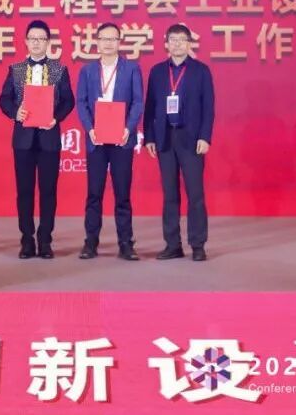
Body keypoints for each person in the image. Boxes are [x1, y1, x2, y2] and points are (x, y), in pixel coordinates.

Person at [0, 20, 75, 259]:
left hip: (49, 138)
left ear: (48, 42)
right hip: (23, 140)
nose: (37, 43)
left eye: (41, 39)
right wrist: (15, 112)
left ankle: (45, 240)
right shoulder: (16, 69)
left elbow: (69, 101)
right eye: (33, 38)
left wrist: (56, 117)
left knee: (48, 191)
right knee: (24, 191)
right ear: (26, 41)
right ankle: (26, 240)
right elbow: (4, 99)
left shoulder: (59, 70)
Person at [143, 24, 215, 262]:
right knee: (170, 194)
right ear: (166, 44)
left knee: (195, 194)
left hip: (191, 139)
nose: (176, 44)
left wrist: (205, 137)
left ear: (189, 43)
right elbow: (150, 106)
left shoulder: (201, 71)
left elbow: (208, 107)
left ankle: (198, 244)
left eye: (181, 40)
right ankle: (172, 244)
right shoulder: (157, 72)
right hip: (165, 138)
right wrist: (149, 137)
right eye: (172, 40)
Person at [75, 22, 144, 261]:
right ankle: (90, 242)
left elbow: (138, 102)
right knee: (94, 193)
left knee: (122, 193)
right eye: (104, 39)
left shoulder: (132, 68)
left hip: (121, 139)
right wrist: (90, 128)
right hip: (96, 139)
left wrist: (128, 128)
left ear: (119, 42)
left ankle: (126, 243)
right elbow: (81, 102)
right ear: (97, 42)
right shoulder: (87, 71)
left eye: (113, 39)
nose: (108, 43)